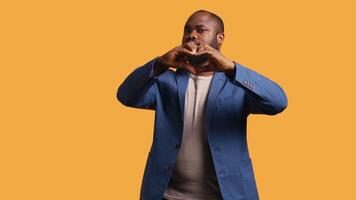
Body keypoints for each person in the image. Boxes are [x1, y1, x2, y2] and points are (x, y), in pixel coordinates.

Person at [117, 9, 288, 200]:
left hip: (226, 195)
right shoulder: (164, 81)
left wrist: (233, 69)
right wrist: (159, 64)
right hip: (167, 195)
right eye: (187, 30)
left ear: (220, 38)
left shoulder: (237, 84)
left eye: (201, 30)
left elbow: (278, 102)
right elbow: (125, 96)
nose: (192, 35)